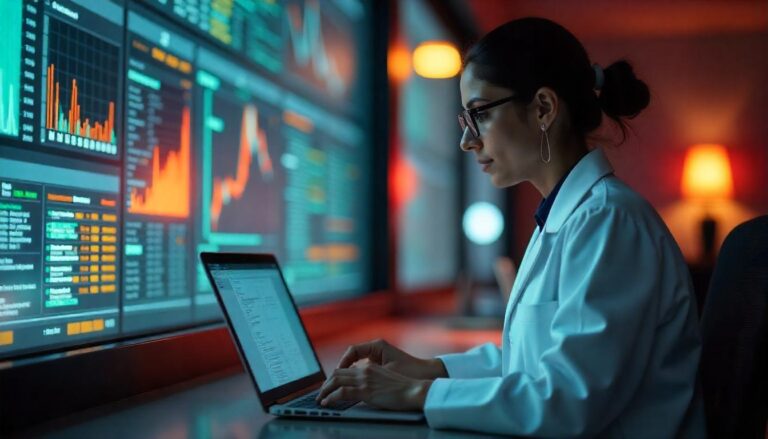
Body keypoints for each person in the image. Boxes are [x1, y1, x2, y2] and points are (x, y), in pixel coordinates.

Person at [316, 17, 705, 437]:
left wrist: (418, 393)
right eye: (465, 119)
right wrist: (430, 368)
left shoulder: (609, 222)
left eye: (480, 114)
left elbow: (568, 400)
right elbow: (533, 362)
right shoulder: (570, 217)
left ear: (543, 108)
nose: (467, 141)